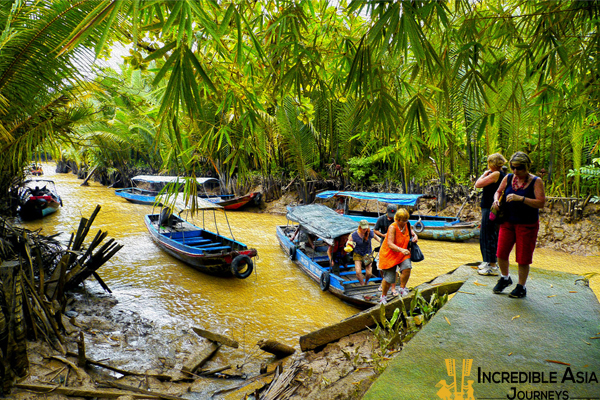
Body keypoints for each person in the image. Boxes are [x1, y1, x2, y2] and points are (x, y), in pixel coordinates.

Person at [491, 151, 546, 298]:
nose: (516, 171)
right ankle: (505, 278)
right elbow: (498, 191)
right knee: (501, 253)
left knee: (523, 257)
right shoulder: (509, 178)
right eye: (513, 167)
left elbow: (541, 202)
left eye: (519, 168)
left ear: (526, 167)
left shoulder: (536, 181)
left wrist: (521, 199)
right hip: (508, 221)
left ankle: (521, 286)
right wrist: (496, 200)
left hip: (527, 224)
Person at [474, 153, 506, 276]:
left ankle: (492, 265)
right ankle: (487, 261)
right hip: (489, 207)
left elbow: (478, 184)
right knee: (485, 234)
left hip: (491, 207)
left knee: (489, 235)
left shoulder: (497, 174)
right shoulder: (499, 174)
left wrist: (483, 174)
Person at [377, 209, 418, 303]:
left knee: (407, 267)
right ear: (397, 220)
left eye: (406, 220)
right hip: (390, 254)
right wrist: (401, 249)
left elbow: (412, 233)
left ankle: (402, 288)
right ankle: (383, 296)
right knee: (389, 278)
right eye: (403, 220)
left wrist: (415, 236)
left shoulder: (407, 225)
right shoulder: (393, 227)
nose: (405, 222)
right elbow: (390, 244)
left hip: (403, 252)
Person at [374, 203, 398, 293]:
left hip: (395, 246)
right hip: (383, 245)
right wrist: (382, 235)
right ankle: (383, 281)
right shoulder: (381, 219)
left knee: (395, 268)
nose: (391, 217)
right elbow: (375, 230)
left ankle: (393, 287)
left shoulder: (396, 220)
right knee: (381, 266)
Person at [350, 220, 379, 285]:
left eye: (366, 228)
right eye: (363, 229)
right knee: (358, 272)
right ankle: (362, 284)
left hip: (367, 254)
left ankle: (366, 282)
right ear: (360, 227)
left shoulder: (370, 233)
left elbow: (378, 238)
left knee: (369, 273)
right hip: (358, 253)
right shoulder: (354, 235)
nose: (365, 230)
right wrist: (349, 246)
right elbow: (349, 242)